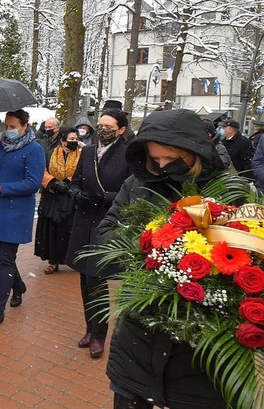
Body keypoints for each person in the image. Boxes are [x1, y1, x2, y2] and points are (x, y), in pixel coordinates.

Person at [95, 108, 229, 408]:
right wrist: (155, 244)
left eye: (173, 159)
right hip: (138, 336)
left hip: (198, 347)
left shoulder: (226, 191)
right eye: (156, 159)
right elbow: (105, 236)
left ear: (196, 153)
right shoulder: (137, 185)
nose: (163, 166)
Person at [64, 109, 131, 359]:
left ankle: (100, 334)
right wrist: (76, 194)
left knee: (98, 279)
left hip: (107, 222)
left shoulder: (128, 154)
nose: (101, 128)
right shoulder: (89, 151)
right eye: (99, 124)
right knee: (84, 277)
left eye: (108, 125)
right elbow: (76, 181)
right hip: (84, 219)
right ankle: (89, 329)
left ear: (121, 130)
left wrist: (105, 198)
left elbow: (132, 191)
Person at [0, 110, 45, 328]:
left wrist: (2, 188)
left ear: (24, 126)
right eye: (5, 126)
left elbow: (33, 183)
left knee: (5, 257)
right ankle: (19, 285)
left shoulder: (34, 149)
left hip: (14, 212)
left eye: (12, 127)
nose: (8, 130)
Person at [34, 127, 82, 275]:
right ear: (62, 140)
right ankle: (53, 261)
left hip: (71, 195)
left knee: (70, 229)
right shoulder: (50, 154)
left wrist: (70, 184)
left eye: (76, 139)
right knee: (52, 229)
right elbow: (41, 171)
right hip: (53, 194)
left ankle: (73, 260)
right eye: (71, 139)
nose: (74, 142)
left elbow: (83, 173)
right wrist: (54, 183)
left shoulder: (82, 156)